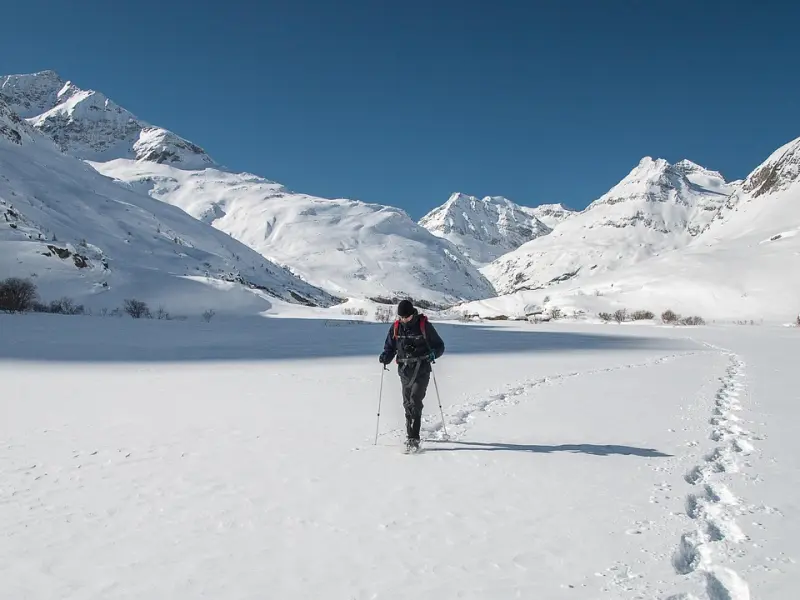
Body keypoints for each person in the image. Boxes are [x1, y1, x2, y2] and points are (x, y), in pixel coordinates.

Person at [378, 299, 445, 451]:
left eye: (406, 317)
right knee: (407, 403)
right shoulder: (396, 327)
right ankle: (411, 433)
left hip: (421, 369)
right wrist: (385, 357)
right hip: (404, 371)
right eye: (401, 317)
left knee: (415, 401)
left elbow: (439, 346)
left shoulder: (424, 326)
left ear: (412, 314)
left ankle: (413, 438)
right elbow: (390, 347)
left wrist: (432, 355)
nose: (404, 320)